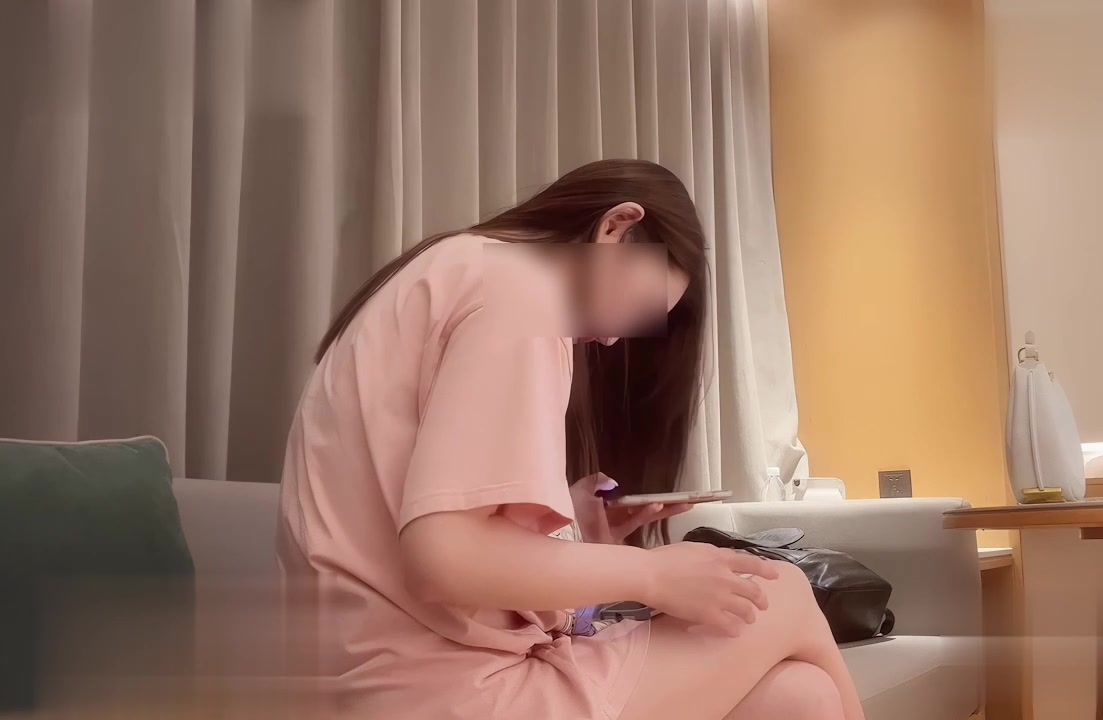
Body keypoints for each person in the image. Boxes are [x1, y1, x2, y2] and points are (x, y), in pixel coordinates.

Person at [277, 159, 865, 720]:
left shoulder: (452, 270)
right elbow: (443, 557)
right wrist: (651, 574)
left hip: (378, 685)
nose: (610, 340)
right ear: (617, 227)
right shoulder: (519, 289)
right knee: (785, 591)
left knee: (800, 699)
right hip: (441, 694)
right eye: (636, 307)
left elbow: (442, 554)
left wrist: (580, 537)